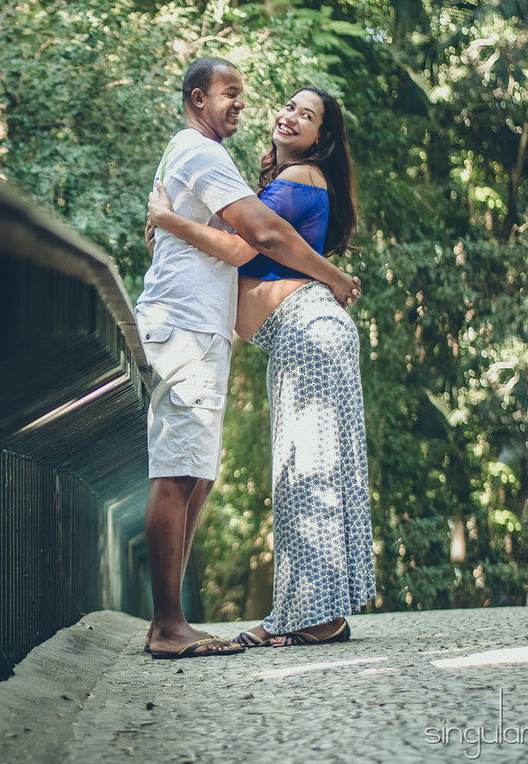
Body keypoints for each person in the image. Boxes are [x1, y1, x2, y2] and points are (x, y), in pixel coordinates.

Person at [137, 57, 360, 660]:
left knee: (277, 471)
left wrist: (169, 221)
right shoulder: (204, 155)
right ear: (195, 98)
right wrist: (170, 222)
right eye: (228, 93)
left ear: (322, 137)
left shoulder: (280, 175)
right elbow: (254, 241)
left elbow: (250, 242)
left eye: (303, 112)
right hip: (195, 326)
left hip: (273, 330)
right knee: (201, 472)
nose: (250, 105)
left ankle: (306, 613)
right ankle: (174, 623)